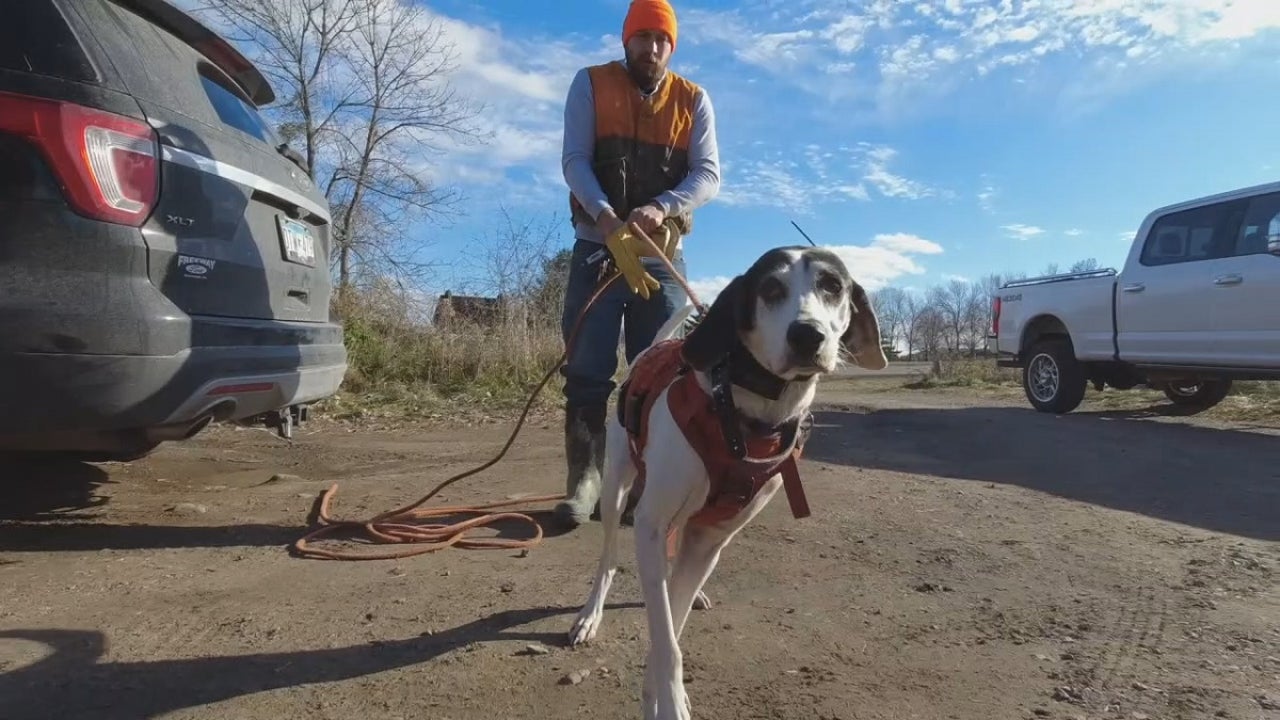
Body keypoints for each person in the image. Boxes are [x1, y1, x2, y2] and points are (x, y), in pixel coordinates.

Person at [554, 0, 720, 529]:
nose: (651, 48)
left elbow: (708, 174)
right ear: (626, 40)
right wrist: (605, 217)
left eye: (661, 40)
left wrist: (663, 205)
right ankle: (586, 480)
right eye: (642, 37)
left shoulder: (694, 100)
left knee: (667, 369)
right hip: (597, 247)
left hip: (662, 256)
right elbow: (574, 159)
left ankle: (651, 482)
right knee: (586, 369)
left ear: (672, 46)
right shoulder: (591, 84)